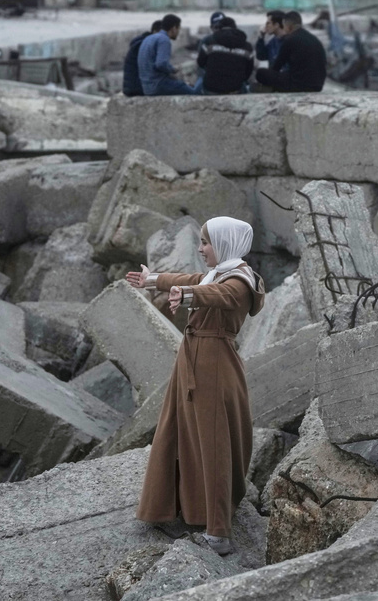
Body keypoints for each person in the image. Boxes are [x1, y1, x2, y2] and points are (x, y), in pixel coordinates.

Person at [125, 217, 266, 555]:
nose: (201, 249)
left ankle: (218, 533)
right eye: (202, 242)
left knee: (213, 443)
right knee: (177, 429)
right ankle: (171, 506)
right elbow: (190, 279)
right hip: (194, 359)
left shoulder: (240, 280)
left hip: (213, 366)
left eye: (207, 242)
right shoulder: (220, 271)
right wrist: (153, 280)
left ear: (226, 243)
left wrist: (187, 295)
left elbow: (218, 295)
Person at [255, 11, 327, 93]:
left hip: (299, 85)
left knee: (261, 73)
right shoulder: (312, 38)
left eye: (284, 26)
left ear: (289, 26)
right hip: (318, 84)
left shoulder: (290, 40)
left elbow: (276, 67)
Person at [138, 13, 198, 96]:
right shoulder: (164, 40)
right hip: (158, 86)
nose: (178, 32)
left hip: (146, 88)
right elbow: (160, 64)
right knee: (192, 91)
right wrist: (172, 69)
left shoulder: (149, 38)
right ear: (173, 28)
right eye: (178, 29)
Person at [196, 17, 254, 95]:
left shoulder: (209, 42)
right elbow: (248, 71)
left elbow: (200, 63)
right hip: (235, 89)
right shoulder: (247, 46)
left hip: (211, 88)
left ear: (219, 28)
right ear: (235, 28)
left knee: (198, 86)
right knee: (246, 87)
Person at [122, 19, 163, 97]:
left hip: (134, 87)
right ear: (155, 32)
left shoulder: (143, 42)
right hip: (137, 88)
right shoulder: (145, 45)